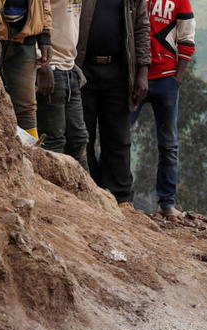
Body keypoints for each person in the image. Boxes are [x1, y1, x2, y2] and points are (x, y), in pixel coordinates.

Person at [77, 0, 150, 209]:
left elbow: (142, 26)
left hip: (118, 72)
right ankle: (90, 192)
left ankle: (122, 199)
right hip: (83, 69)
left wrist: (142, 71)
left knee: (118, 138)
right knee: (83, 137)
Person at [130, 0, 196, 220]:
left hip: (166, 80)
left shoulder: (180, 1)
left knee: (168, 145)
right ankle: (114, 196)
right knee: (118, 136)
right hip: (133, 78)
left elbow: (187, 39)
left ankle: (166, 203)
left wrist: (176, 81)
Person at [36, 0, 88, 168]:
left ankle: (82, 193)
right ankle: (52, 192)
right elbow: (31, 19)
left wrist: (73, 64)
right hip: (50, 67)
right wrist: (41, 64)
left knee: (79, 140)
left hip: (68, 68)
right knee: (53, 142)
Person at [0, 0, 53, 139]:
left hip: (25, 36)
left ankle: (31, 154)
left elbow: (44, 3)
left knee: (26, 108)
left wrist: (45, 36)